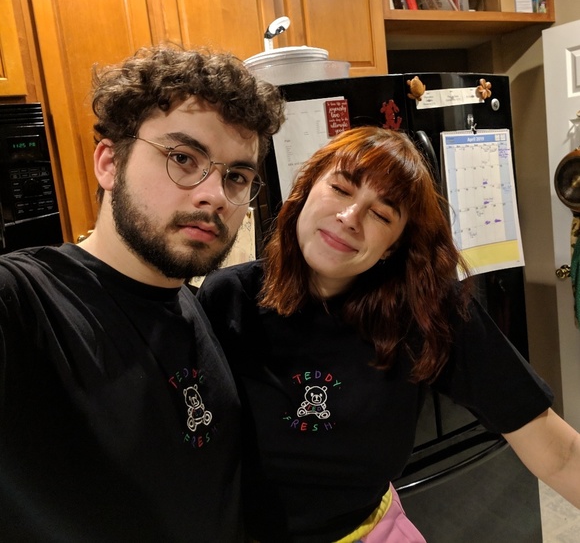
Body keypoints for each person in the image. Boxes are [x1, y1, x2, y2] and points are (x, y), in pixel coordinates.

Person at [197, 126, 580, 543]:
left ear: (394, 246)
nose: (350, 218)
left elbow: (558, 454)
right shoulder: (228, 297)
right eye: (340, 189)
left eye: (381, 214)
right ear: (304, 191)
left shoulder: (427, 311)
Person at [0, 44, 285, 542]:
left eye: (236, 176)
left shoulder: (192, 304)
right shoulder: (26, 301)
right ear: (110, 162)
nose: (215, 195)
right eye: (183, 158)